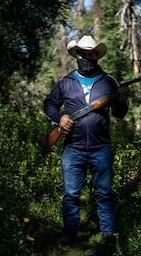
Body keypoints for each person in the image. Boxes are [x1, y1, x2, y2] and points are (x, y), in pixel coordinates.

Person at [43, 35, 130, 245]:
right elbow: (49, 105)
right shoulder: (65, 83)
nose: (88, 58)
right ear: (77, 55)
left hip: (101, 148)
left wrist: (122, 99)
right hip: (73, 148)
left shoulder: (110, 82)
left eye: (92, 54)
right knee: (71, 195)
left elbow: (119, 113)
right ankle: (70, 234)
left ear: (97, 57)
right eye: (84, 54)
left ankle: (108, 235)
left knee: (104, 193)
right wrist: (60, 118)